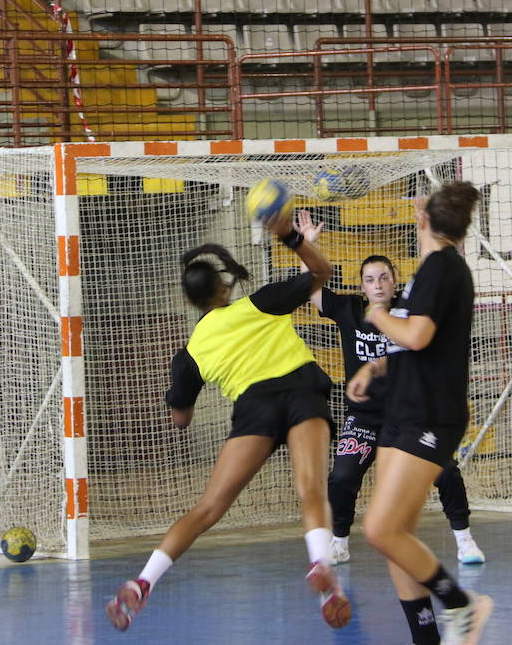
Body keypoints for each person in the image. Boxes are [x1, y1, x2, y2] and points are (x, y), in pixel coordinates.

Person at [105, 208, 351, 633]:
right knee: (310, 488)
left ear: (189, 301)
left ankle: (143, 582)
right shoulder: (262, 302)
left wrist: (182, 401)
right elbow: (322, 271)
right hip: (301, 393)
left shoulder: (191, 353)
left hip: (254, 409)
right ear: (225, 285)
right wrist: (292, 237)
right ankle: (321, 571)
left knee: (208, 508)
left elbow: (180, 417)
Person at [296, 210, 486, 582]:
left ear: (395, 280)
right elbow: (312, 289)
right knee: (342, 476)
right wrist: (308, 244)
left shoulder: (411, 309)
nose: (378, 284)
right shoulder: (350, 309)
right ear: (362, 287)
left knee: (446, 472)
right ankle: (338, 540)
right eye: (370, 280)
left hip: (409, 415)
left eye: (384, 277)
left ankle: (464, 539)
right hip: (365, 419)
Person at [349, 182, 493, 645]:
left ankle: (460, 603)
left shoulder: (441, 268)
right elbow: (417, 346)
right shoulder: (432, 269)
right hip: (404, 410)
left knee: (379, 529)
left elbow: (416, 336)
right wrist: (376, 367)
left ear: (426, 220)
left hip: (430, 416)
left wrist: (376, 314)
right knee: (398, 540)